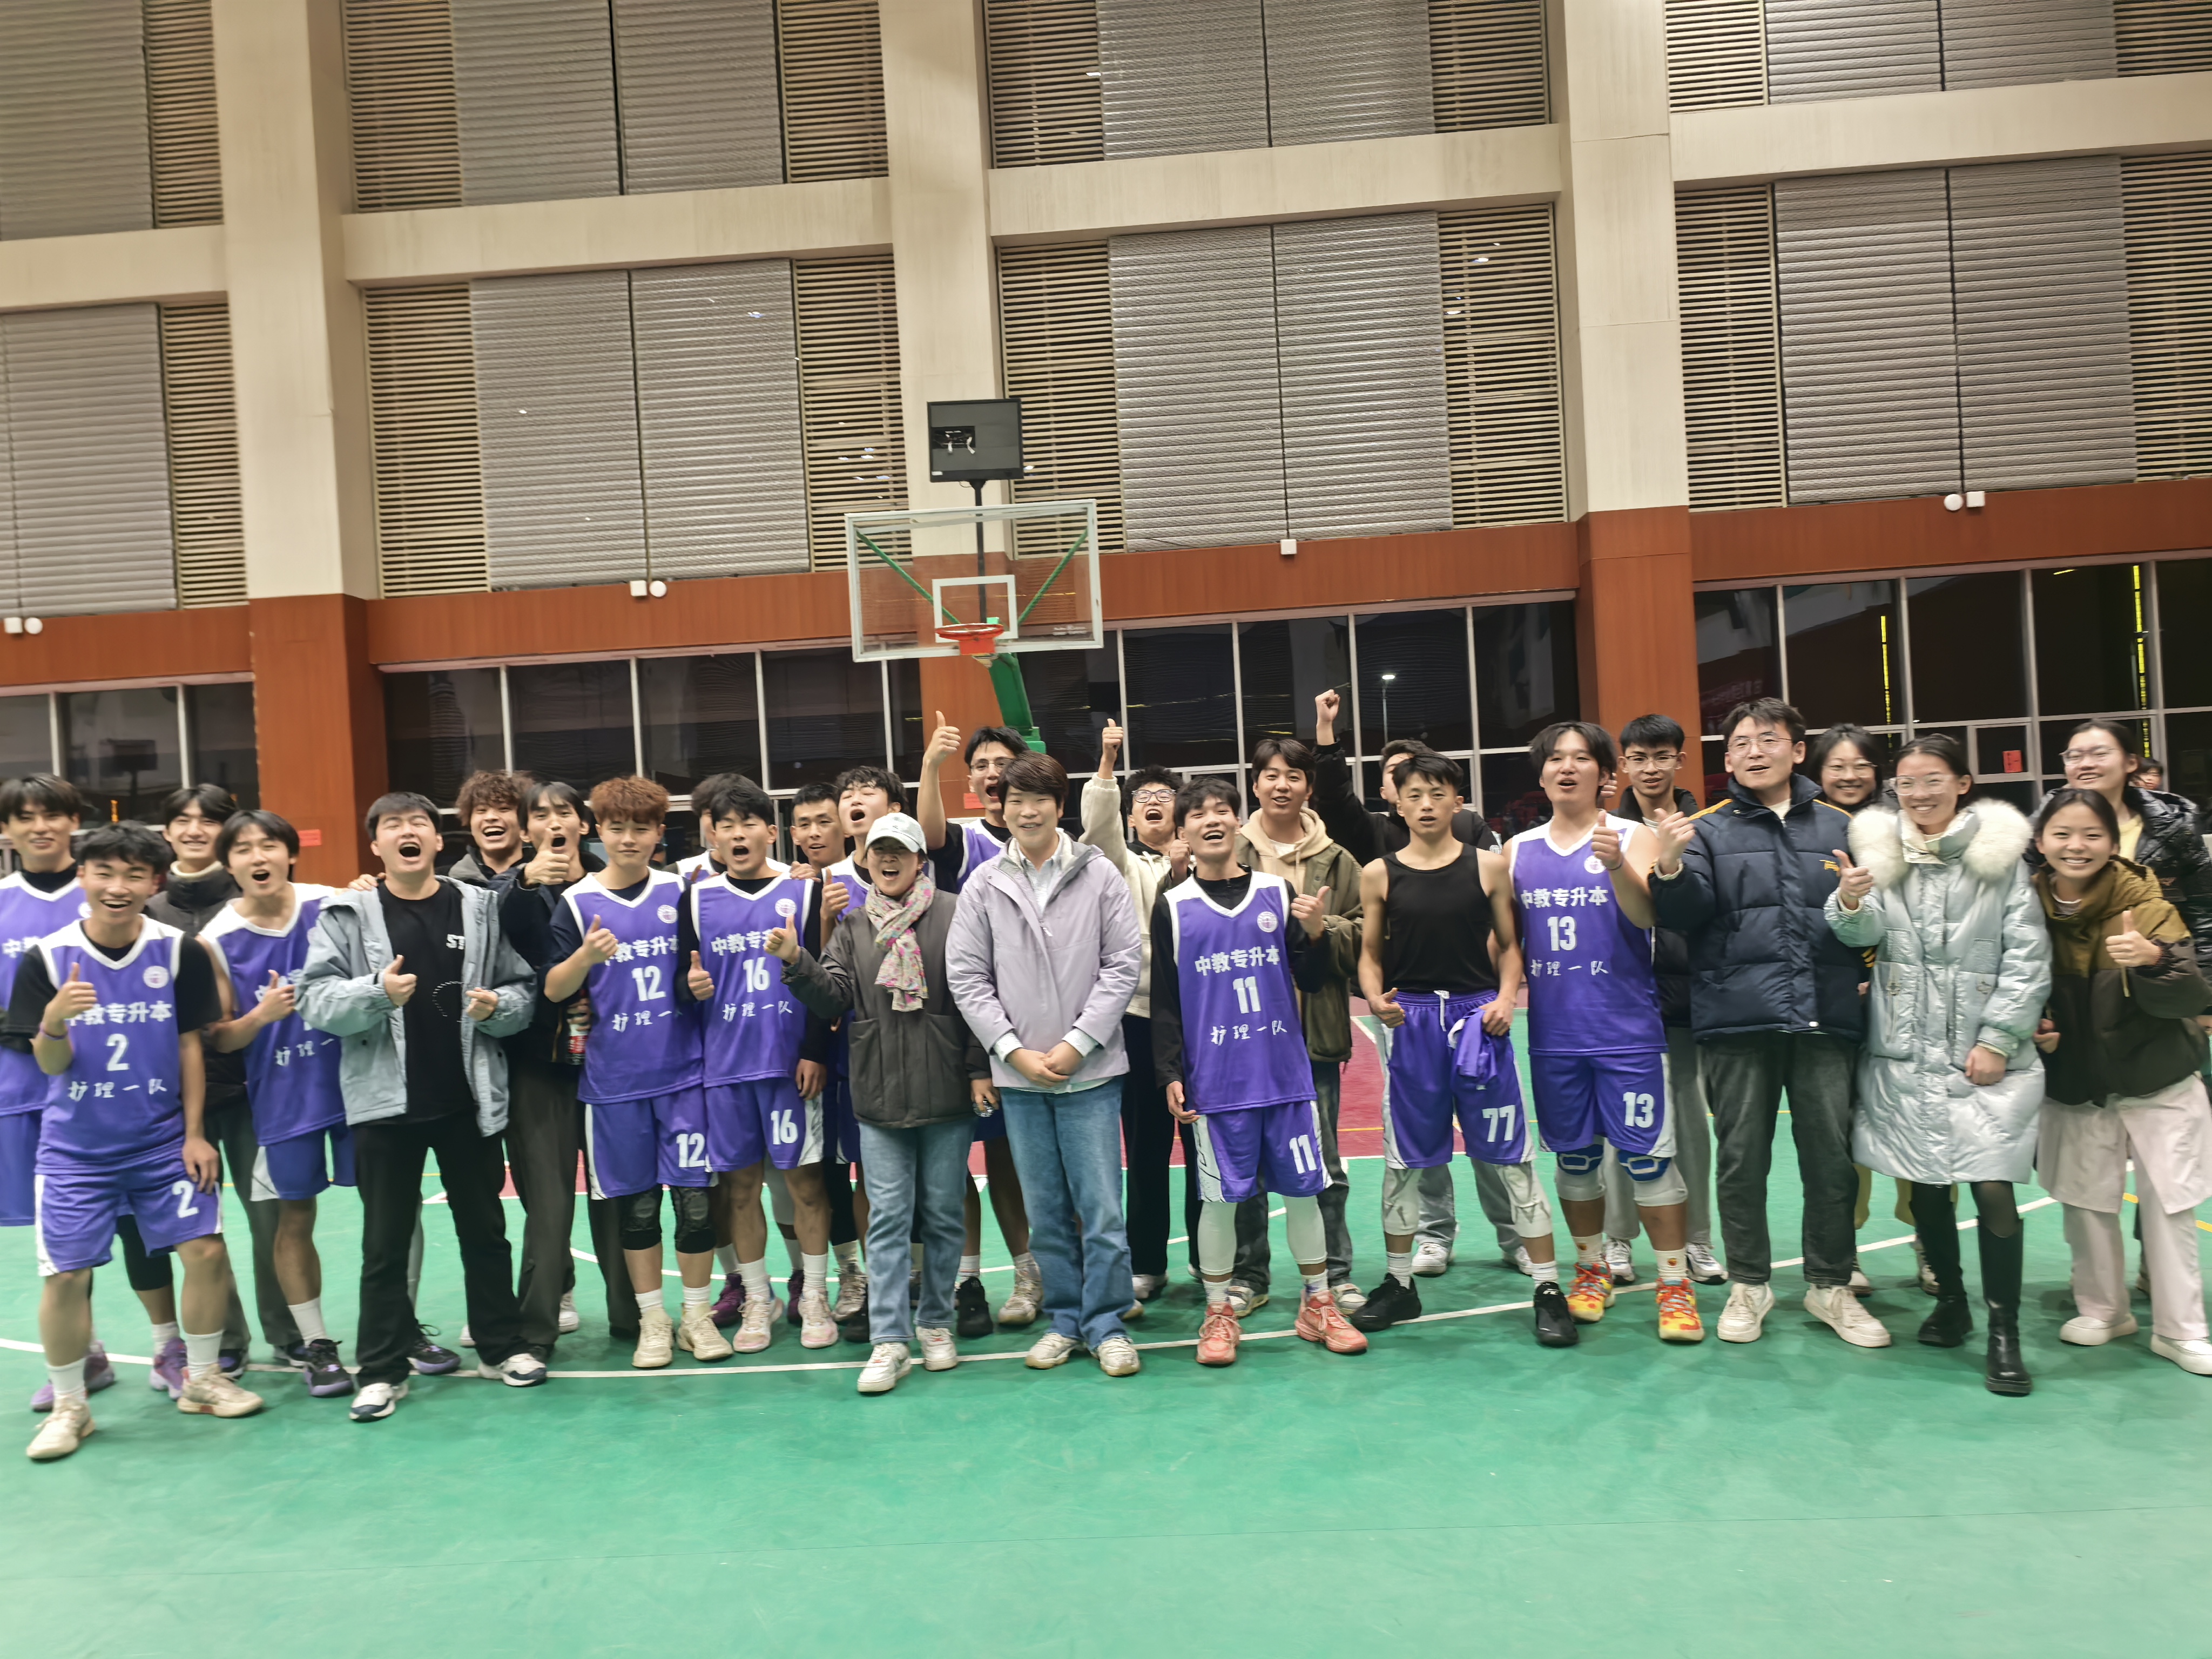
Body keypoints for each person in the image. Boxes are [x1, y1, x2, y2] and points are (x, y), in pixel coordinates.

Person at [17, 823, 263, 1459]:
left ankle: (202, 1379)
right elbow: (49, 1064)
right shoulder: (47, 957)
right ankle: (71, 1406)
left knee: (206, 1251)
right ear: (83, 876)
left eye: (133, 875)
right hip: (75, 1150)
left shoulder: (178, 951)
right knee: (65, 1276)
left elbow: (190, 1047)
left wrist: (195, 1134)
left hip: (160, 1142)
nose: (117, 887)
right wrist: (54, 1022)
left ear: (155, 883)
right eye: (104, 872)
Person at [1650, 698, 1887, 1348]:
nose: (1755, 752)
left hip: (1825, 1017)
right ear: (1726, 759)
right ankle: (1749, 1285)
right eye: (1741, 744)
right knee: (1740, 1161)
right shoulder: (1704, 830)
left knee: (1831, 1162)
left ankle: (1830, 1285)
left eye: (1769, 739)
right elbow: (1684, 915)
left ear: (1797, 750)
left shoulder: (1845, 827)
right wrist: (1668, 867)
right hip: (1736, 1020)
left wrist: (1857, 914)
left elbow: (1871, 924)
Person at [299, 792, 542, 1421]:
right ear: (375, 845)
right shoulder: (346, 913)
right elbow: (315, 1000)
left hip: (467, 1100)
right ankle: (381, 1370)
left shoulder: (479, 907)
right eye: (392, 825)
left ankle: (501, 1346)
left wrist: (499, 1009)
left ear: (437, 841)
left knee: (485, 1233)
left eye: (419, 824)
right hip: (385, 1106)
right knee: (383, 1247)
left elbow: (521, 989)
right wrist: (376, 993)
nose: (406, 832)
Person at [1825, 735, 2048, 1394]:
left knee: (1992, 1186)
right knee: (1925, 1184)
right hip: (1903, 1052)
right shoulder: (1881, 853)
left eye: (1932, 780)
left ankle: (2003, 1330)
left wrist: (1999, 1039)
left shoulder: (1999, 861)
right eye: (1906, 783)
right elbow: (1861, 936)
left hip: (1981, 1056)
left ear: (1962, 783)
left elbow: (2028, 957)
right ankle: (1950, 1301)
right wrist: (1849, 901)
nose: (1918, 794)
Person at [1351, 753, 1573, 1346]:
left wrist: (1506, 998)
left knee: (1512, 1157)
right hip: (1414, 1023)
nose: (1426, 804)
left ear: (1457, 800)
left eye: (1437, 793)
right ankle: (1399, 1283)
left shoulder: (1489, 865)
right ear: (1397, 803)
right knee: (1404, 1162)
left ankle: (1548, 1288)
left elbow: (1510, 945)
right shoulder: (1378, 874)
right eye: (1414, 794)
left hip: (1479, 1021)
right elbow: (1370, 954)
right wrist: (1373, 995)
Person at [767, 811, 990, 1392]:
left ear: (920, 860)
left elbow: (976, 998)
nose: (888, 859)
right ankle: (890, 1339)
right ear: (865, 862)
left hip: (947, 1093)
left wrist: (977, 1070)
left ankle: (935, 1323)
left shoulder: (956, 913)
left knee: (943, 1215)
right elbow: (833, 998)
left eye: (900, 851)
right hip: (879, 1096)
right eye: (878, 851)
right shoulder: (851, 926)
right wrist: (797, 961)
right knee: (888, 1218)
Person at [1155, 775, 1368, 1365]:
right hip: (1215, 1084)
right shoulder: (1173, 905)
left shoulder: (1277, 892)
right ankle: (1219, 1310)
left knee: (1304, 1194)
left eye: (1222, 810)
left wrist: (1317, 935)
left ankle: (1318, 1302)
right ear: (1184, 832)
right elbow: (1166, 999)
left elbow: (1310, 978)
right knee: (1220, 1202)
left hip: (1283, 1076)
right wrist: (1169, 1071)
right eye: (1198, 814)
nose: (1212, 820)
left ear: (1236, 821)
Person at [945, 751, 1143, 1377]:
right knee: (1047, 1211)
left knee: (1102, 1210)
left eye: (1039, 800)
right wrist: (1011, 1051)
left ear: (1060, 806)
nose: (1027, 812)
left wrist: (1079, 1042)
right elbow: (966, 977)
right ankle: (1064, 1320)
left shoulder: (1099, 873)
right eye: (1015, 801)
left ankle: (1107, 1324)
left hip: (1091, 1075)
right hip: (1021, 1079)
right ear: (1000, 809)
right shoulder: (983, 884)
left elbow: (1123, 964)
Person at [1509, 724, 1704, 1343]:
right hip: (1554, 1037)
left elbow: (1647, 916)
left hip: (1627, 1032)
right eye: (1555, 760)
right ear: (1542, 774)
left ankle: (1674, 1284)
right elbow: (1504, 942)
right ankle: (1591, 1270)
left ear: (1603, 774)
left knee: (1649, 1161)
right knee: (1575, 1160)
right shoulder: (1516, 851)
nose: (1567, 768)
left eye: (1580, 759)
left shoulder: (1632, 835)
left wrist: (1617, 865)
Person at [1311, 690, 1508, 1280]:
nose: (1418, 794)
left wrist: (1499, 990)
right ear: (1389, 792)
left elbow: (1501, 922)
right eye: (1401, 781)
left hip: (1473, 1003)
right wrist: (1327, 735)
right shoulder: (1373, 838)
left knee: (1488, 1127)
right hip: (1407, 1008)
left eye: (1427, 783)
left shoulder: (1471, 833)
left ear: (1447, 792)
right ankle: (1434, 1234)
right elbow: (1334, 795)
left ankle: (1513, 1234)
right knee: (1422, 1131)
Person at [543, 778, 735, 1365]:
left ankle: (696, 1317)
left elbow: (692, 971)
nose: (628, 839)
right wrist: (585, 957)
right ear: (598, 831)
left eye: (641, 828)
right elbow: (554, 989)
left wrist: (695, 985)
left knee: (695, 1204)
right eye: (617, 828)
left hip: (684, 1077)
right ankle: (655, 1320)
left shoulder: (680, 892)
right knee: (639, 1207)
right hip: (613, 1086)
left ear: (659, 833)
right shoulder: (577, 902)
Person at [2030, 787, 2212, 1376]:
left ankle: (2181, 1329)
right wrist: (2037, 1027)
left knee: (2168, 1203)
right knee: (2084, 1200)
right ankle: (2104, 1310)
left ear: (2113, 843)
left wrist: (2154, 961)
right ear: (2040, 842)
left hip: (2157, 1077)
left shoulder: (2145, 903)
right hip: (2078, 1081)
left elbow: (2190, 996)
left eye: (2091, 835)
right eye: (2062, 834)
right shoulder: (2026, 908)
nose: (2076, 846)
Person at [201, 811, 358, 1399]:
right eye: (242, 849)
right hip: (282, 1099)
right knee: (294, 1219)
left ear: (290, 853)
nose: (257, 857)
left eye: (268, 845)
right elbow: (220, 1038)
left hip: (356, 1085)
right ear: (229, 864)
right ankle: (316, 1344)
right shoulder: (216, 938)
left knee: (392, 1209)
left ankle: (400, 1328)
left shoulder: (334, 904)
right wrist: (260, 1016)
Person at [685, 773, 834, 1354]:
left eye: (749, 823)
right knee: (740, 1190)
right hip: (725, 1071)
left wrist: (814, 1050)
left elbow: (824, 980)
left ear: (771, 833)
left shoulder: (803, 892)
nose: (738, 834)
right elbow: (682, 979)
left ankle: (815, 1295)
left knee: (806, 1185)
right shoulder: (695, 899)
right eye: (726, 826)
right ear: (714, 837)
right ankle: (755, 1297)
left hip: (789, 1067)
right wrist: (690, 987)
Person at [0, 777, 130, 1412]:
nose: (39, 827)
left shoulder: (101, 894)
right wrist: (26, 1027)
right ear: (7, 830)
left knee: (142, 1230)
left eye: (51, 814)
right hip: (23, 1092)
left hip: (111, 1091)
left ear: (74, 821)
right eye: (24, 817)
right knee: (58, 1242)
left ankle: (176, 1346)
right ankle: (85, 1355)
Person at [1226, 737, 1365, 1312]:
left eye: (1293, 776)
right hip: (1242, 1036)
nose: (1281, 785)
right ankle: (1249, 1277)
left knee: (1324, 1160)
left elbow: (1365, 936)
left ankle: (1335, 1274)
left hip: (1313, 1035)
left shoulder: (1338, 860)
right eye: (1271, 775)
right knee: (1246, 1163)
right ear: (1254, 783)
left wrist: (1321, 928)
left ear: (1309, 787)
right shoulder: (1229, 851)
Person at [914, 726, 1042, 1336]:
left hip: (1023, 1021)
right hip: (956, 1020)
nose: (993, 773)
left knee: (1013, 1158)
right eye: (983, 765)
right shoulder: (963, 842)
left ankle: (1029, 1272)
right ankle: (968, 1279)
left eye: (1003, 763)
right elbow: (929, 833)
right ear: (971, 780)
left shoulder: (1042, 839)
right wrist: (930, 765)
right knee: (953, 1160)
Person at [145, 783, 269, 1372]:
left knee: (272, 1218)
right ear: (167, 832)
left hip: (254, 1088)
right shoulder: (147, 911)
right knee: (200, 1229)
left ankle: (291, 1333)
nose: (195, 830)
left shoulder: (253, 899)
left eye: (209, 820)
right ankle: (225, 1341)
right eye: (183, 820)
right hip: (173, 1099)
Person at [1806, 725, 1933, 1297]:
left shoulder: (1906, 832)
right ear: (1818, 772)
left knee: (1919, 1124)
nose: (1849, 776)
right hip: (1834, 1004)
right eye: (1836, 766)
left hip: (1904, 1001)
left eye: (1860, 765)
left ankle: (1930, 1241)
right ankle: (1845, 1250)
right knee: (1842, 1132)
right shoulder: (1807, 832)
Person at [1601, 714, 1724, 1289]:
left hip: (1684, 1003)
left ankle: (1697, 1239)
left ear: (1680, 760)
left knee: (1690, 1128)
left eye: (1661, 756)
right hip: (1619, 1005)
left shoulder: (1708, 829)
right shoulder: (1605, 832)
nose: (1650, 768)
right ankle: (1617, 1239)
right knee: (1618, 1126)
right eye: (1639, 758)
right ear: (1623, 764)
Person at [1080, 732, 1193, 1303]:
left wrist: (1185, 870)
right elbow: (1097, 828)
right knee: (1146, 1146)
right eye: (1141, 797)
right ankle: (1147, 1261)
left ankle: (1212, 1260)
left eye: (1163, 795)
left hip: (1199, 1021)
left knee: (1204, 1147)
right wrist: (1107, 765)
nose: (1152, 802)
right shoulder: (1118, 864)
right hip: (1139, 1019)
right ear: (1129, 815)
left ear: (1181, 810)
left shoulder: (1207, 860)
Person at [2047, 720, 2212, 980]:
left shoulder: (2175, 828)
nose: (2086, 764)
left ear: (2131, 763)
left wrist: (2205, 990)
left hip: (2160, 977)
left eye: (2100, 754)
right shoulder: (2042, 832)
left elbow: (2203, 913)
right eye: (2074, 756)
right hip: (2071, 983)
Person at [447, 770, 531, 891]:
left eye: (504, 809)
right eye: (481, 810)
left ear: (524, 820)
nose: (490, 817)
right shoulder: (451, 884)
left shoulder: (547, 877)